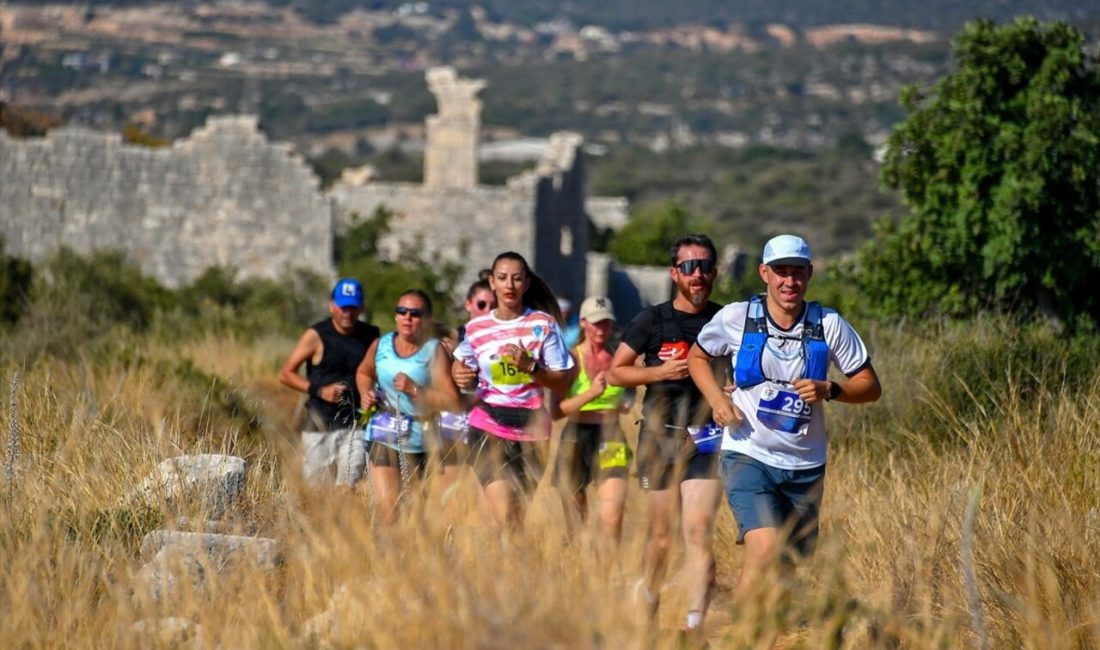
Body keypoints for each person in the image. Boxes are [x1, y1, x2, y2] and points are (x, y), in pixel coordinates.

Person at [688, 234, 881, 607]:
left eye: (797, 272)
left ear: (809, 275)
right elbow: (698, 357)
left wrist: (831, 389)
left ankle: (740, 631)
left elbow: (870, 386)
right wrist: (716, 400)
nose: (788, 281)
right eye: (780, 272)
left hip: (805, 466)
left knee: (786, 570)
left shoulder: (830, 324)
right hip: (747, 452)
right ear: (764, 273)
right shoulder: (736, 317)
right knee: (765, 548)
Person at [606, 234, 724, 633]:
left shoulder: (726, 320)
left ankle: (694, 628)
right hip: (659, 437)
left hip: (706, 439)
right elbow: (616, 371)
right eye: (690, 267)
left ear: (715, 272)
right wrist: (659, 372)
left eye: (706, 266)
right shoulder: (651, 320)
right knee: (661, 538)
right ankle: (650, 601)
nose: (699, 275)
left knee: (698, 531)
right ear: (675, 273)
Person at [451, 252, 576, 530]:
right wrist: (458, 373)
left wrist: (531, 366)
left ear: (527, 284)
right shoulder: (476, 327)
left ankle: (506, 569)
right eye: (503, 278)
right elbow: (461, 365)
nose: (510, 285)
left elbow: (562, 381)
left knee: (515, 520)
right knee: (503, 509)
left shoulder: (543, 325)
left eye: (517, 279)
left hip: (531, 429)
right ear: (491, 282)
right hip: (487, 424)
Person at [356, 290, 460, 525]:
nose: (407, 317)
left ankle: (405, 558)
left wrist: (416, 390)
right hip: (383, 431)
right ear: (395, 317)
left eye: (415, 313)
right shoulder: (380, 345)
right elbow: (363, 372)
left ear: (427, 319)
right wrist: (366, 394)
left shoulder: (434, 351)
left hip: (420, 439)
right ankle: (383, 556)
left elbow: (453, 401)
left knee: (413, 513)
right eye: (401, 311)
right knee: (388, 510)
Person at [279, 278, 380, 487]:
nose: (348, 313)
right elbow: (286, 374)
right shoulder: (316, 335)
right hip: (319, 426)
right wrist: (319, 390)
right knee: (318, 494)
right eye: (343, 307)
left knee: (347, 487)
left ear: (361, 307)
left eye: (353, 307)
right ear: (331, 305)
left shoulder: (371, 336)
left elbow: (377, 372)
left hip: (356, 425)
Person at [552, 295, 633, 552]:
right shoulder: (570, 360)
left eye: (607, 323)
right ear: (584, 323)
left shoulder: (618, 358)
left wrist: (624, 403)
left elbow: (631, 389)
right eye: (597, 323)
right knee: (576, 519)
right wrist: (590, 394)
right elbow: (555, 411)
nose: (602, 329)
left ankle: (607, 573)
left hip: (611, 436)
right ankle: (576, 567)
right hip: (577, 435)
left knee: (613, 515)